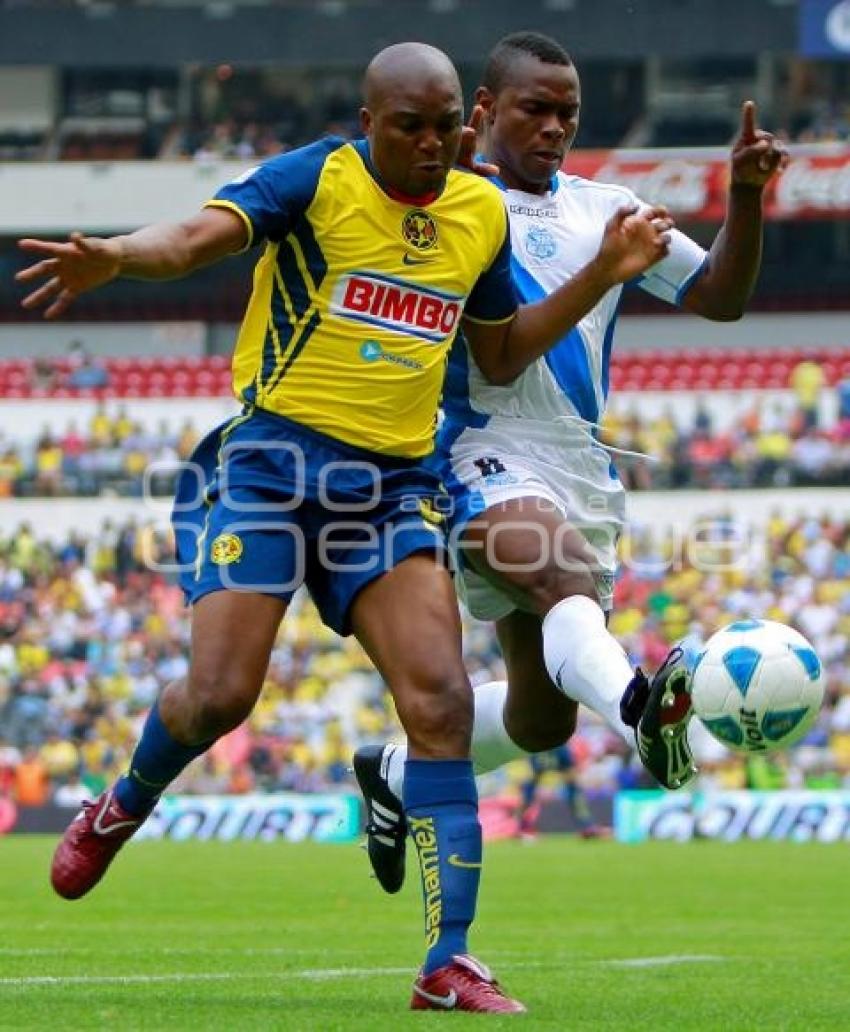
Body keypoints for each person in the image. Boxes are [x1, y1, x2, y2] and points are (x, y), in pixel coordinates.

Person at [15, 42, 671, 1014]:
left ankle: (447, 961)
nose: (429, 145)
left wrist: (601, 274)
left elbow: (497, 348)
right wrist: (117, 255)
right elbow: (199, 236)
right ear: (369, 124)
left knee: (441, 700)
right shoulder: (314, 181)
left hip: (395, 487)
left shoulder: (477, 212)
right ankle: (122, 803)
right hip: (273, 468)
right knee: (220, 695)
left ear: (462, 124)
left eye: (444, 127)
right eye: (408, 127)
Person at [352, 31, 788, 895]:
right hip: (475, 445)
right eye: (535, 109)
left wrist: (743, 197)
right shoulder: (455, 206)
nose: (554, 127)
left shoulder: (607, 208)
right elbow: (502, 357)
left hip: (580, 464)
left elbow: (722, 300)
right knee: (563, 579)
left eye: (568, 114)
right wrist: (605, 271)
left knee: (539, 717)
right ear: (484, 111)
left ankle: (392, 775)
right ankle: (640, 709)